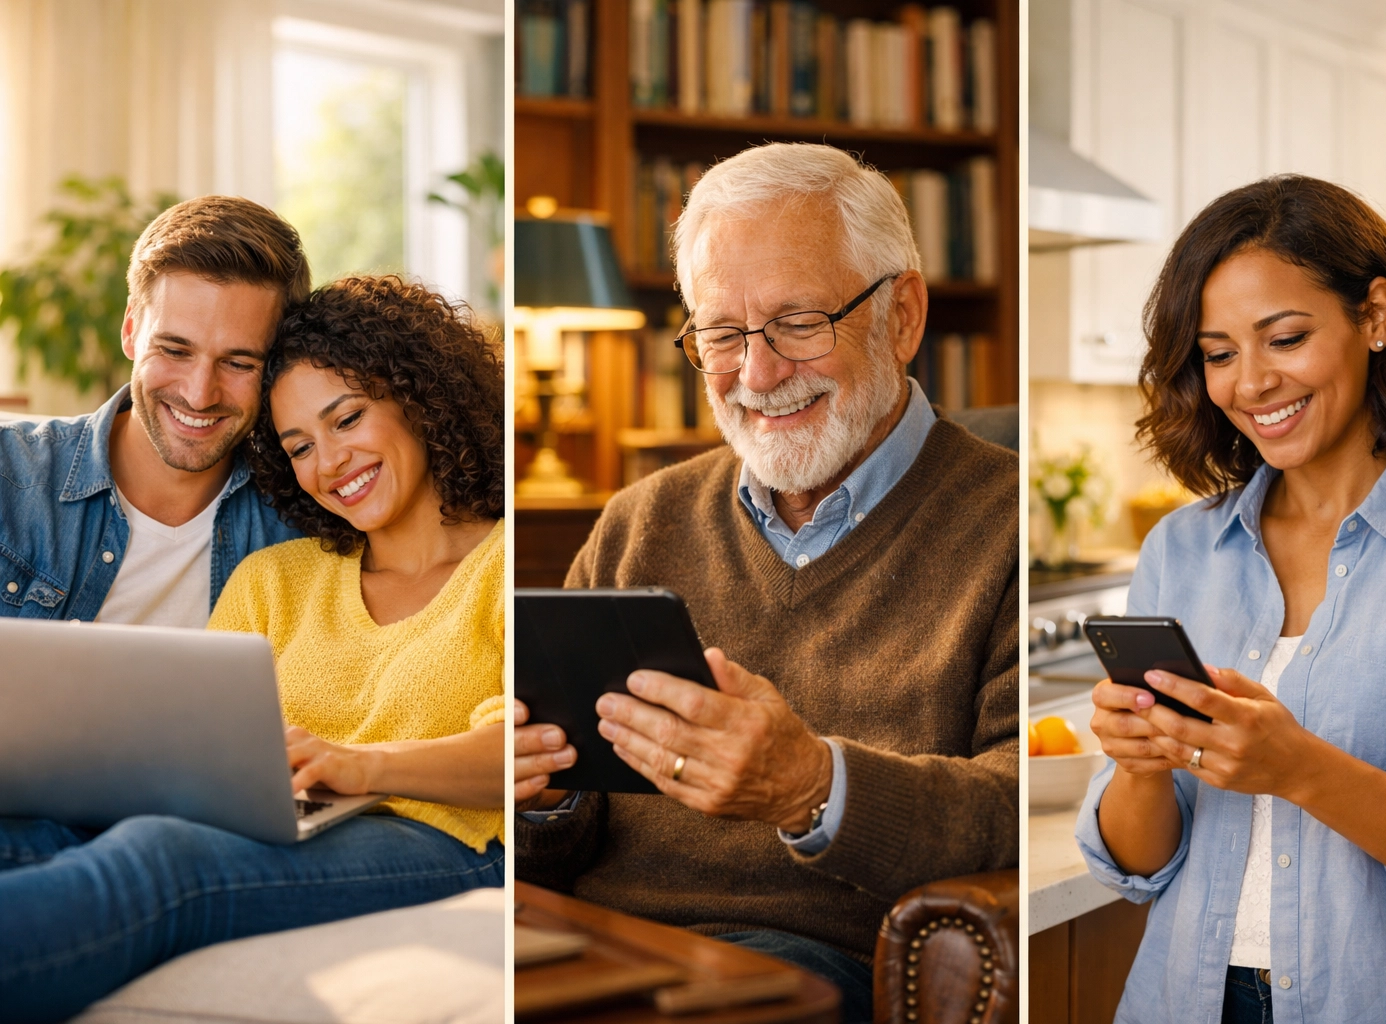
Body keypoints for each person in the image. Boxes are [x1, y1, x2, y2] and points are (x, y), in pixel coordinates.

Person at [513, 142, 1019, 1022]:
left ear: (901, 315)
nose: (757, 373)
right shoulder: (639, 520)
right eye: (722, 334)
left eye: (796, 323)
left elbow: (1025, 816)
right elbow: (551, 839)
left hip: (813, 964)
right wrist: (547, 795)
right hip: (589, 945)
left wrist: (811, 785)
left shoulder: (1009, 524)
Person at [1075, 175, 1386, 1023]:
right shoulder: (1182, 548)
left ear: (1376, 317)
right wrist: (1139, 767)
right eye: (1217, 354)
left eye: (1283, 337)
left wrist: (1300, 769)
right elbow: (1140, 864)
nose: (1251, 383)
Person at [0, 275, 505, 1021]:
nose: (329, 463)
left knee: (159, 863)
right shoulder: (276, 575)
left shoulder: (501, 565)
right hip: (275, 819)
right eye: (300, 445)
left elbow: (521, 751)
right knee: (35, 836)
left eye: (347, 419)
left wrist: (362, 764)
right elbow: (204, 743)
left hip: (442, 835)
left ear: (418, 397)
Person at [0, 195, 308, 625]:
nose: (200, 395)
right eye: (175, 350)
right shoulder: (8, 478)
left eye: (238, 363)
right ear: (130, 331)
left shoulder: (299, 521)